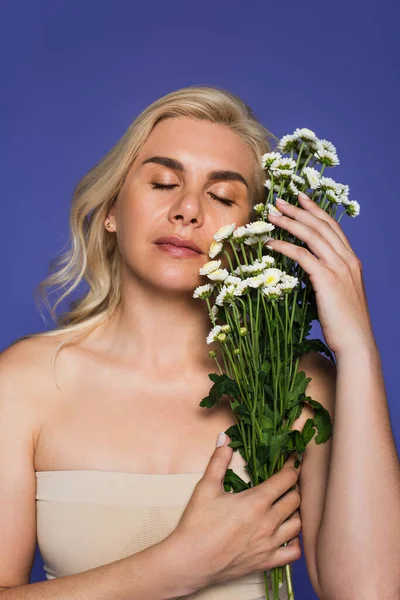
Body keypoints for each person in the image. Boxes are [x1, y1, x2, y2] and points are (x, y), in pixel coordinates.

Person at [1, 85, 398, 599]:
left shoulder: (298, 386)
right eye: (164, 183)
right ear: (111, 211)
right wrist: (179, 565)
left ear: (255, 232)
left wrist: (359, 351)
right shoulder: (26, 382)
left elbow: (369, 593)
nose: (188, 210)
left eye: (222, 196)